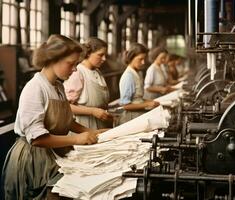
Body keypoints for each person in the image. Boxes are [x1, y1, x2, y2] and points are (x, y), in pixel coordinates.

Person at [1, 34, 103, 200]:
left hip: (53, 153)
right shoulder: (35, 88)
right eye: (71, 64)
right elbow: (37, 139)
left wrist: (92, 133)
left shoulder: (58, 87)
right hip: (33, 159)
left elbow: (67, 121)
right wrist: (77, 140)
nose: (75, 69)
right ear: (52, 59)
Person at [64, 37, 113, 129]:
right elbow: (66, 106)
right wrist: (92, 111)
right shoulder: (78, 73)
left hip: (100, 123)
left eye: (105, 55)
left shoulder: (97, 72)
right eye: (100, 55)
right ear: (88, 53)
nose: (104, 59)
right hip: (85, 125)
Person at [119, 43, 160, 124]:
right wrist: (147, 104)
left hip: (138, 115)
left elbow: (137, 99)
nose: (143, 62)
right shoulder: (128, 76)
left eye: (144, 59)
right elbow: (125, 105)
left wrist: (151, 101)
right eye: (140, 59)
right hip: (131, 118)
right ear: (131, 58)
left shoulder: (137, 73)